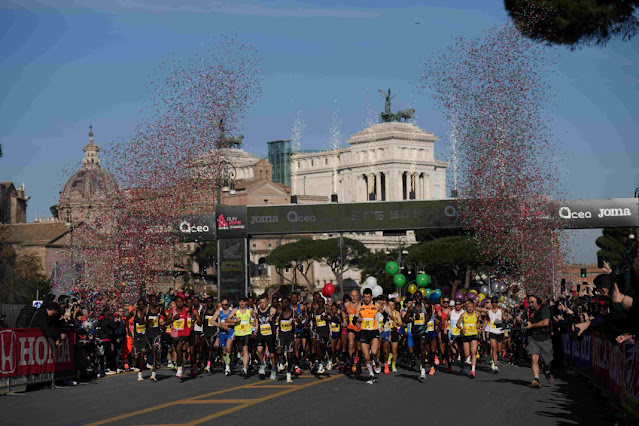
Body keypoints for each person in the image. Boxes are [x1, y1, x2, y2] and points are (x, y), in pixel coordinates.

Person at [520, 294, 553, 388]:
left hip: (544, 337)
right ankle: (536, 379)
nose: (530, 304)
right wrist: (521, 322)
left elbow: (545, 322)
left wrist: (532, 325)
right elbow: (520, 318)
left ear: (538, 302)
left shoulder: (544, 309)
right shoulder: (528, 311)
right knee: (534, 358)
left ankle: (546, 370)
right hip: (532, 337)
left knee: (547, 362)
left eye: (532, 302)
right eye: (529, 302)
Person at [254, 293, 277, 380]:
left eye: (264, 302)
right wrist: (256, 328)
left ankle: (273, 369)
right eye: (261, 302)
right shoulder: (257, 311)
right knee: (259, 350)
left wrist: (273, 319)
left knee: (272, 355)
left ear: (267, 302)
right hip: (261, 333)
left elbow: (278, 318)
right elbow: (256, 319)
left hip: (270, 334)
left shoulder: (272, 310)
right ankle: (262, 364)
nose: (262, 304)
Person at [230, 297, 254, 377]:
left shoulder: (250, 310)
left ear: (246, 303)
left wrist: (256, 327)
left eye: (243, 302)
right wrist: (234, 321)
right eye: (240, 302)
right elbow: (227, 319)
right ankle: (247, 360)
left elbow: (256, 318)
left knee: (245, 348)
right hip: (238, 334)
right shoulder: (235, 310)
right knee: (242, 353)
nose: (242, 303)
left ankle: (244, 368)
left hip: (247, 333)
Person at [457, 299, 480, 378]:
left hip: (474, 335)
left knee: (473, 352)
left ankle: (473, 370)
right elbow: (458, 324)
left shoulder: (476, 315)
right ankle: (468, 360)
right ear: (466, 308)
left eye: (471, 307)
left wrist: (478, 327)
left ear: (474, 308)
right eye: (468, 307)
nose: (470, 309)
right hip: (466, 336)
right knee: (467, 354)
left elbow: (478, 322)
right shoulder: (463, 315)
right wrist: (461, 328)